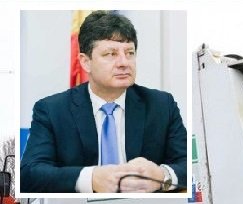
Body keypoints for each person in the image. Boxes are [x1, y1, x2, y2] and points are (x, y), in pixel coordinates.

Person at [20, 11, 186, 193]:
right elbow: (29, 174)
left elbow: (189, 165)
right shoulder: (52, 110)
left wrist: (162, 176)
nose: (124, 62)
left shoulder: (162, 105)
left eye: (130, 53)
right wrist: (90, 179)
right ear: (85, 62)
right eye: (111, 54)